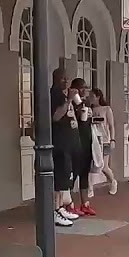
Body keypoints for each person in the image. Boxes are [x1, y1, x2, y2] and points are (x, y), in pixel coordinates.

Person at [50, 68, 81, 226]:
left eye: (67, 79)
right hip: (59, 144)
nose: (66, 82)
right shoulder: (54, 95)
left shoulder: (64, 95)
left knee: (64, 179)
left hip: (69, 144)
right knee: (59, 178)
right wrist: (68, 100)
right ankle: (54, 210)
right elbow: (55, 116)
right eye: (63, 79)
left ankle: (61, 207)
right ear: (55, 78)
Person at [69, 78, 96, 216]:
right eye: (81, 88)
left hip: (86, 141)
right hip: (75, 142)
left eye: (86, 87)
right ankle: (68, 204)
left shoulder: (86, 103)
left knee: (84, 174)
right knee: (72, 175)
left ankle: (85, 204)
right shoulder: (72, 103)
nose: (84, 90)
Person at [89, 88, 118, 195]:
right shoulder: (89, 109)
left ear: (98, 97)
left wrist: (112, 139)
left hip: (104, 140)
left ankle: (113, 182)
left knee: (104, 166)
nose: (90, 98)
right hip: (93, 140)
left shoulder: (106, 109)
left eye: (92, 96)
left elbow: (111, 126)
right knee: (92, 165)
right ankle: (90, 188)